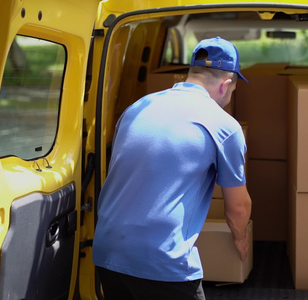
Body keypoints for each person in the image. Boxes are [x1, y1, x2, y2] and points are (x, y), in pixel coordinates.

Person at [93, 37, 252, 300]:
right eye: (233, 90)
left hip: (108, 253)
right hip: (162, 262)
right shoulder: (224, 126)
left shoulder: (136, 109)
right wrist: (240, 238)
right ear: (226, 85)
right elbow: (237, 207)